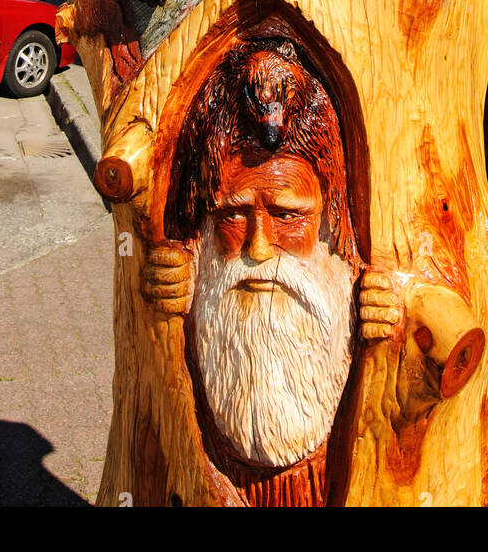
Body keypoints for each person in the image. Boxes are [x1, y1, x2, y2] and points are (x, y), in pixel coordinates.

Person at [143, 38, 398, 506]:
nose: (259, 248)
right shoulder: (201, 274)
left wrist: (397, 302)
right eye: (235, 216)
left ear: (329, 218)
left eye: (286, 216)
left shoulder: (342, 279)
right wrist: (163, 297)